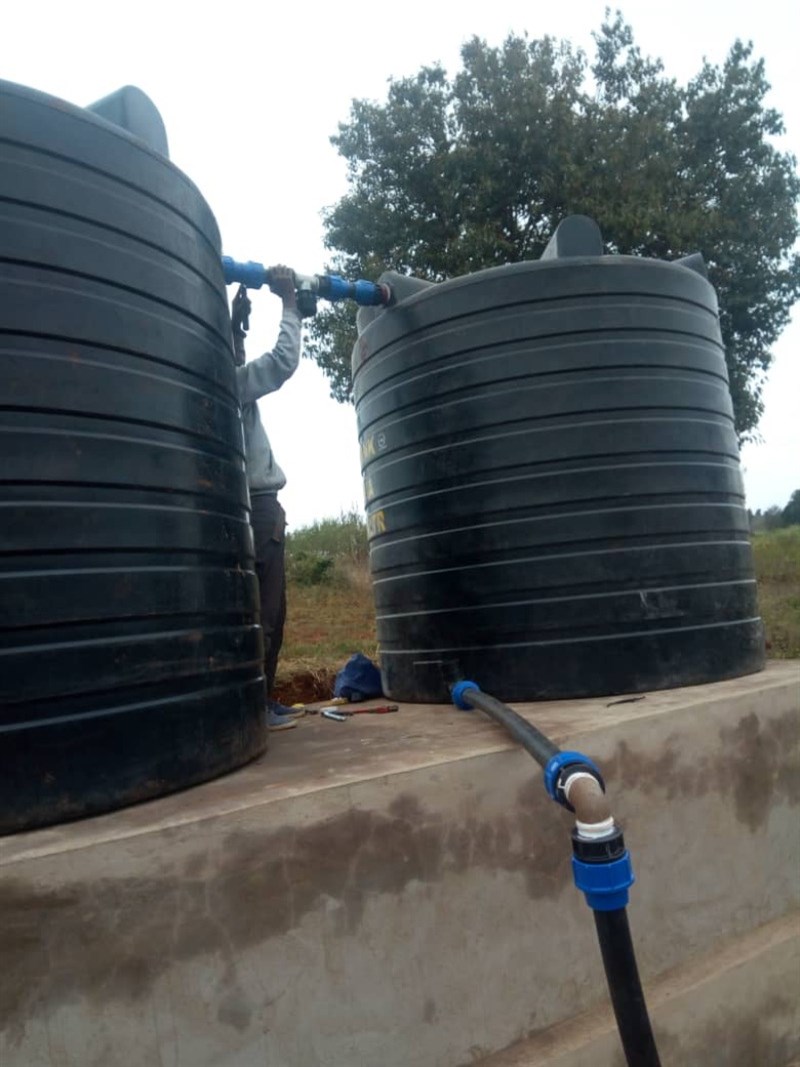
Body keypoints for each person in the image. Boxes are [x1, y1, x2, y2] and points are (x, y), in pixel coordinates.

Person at [231, 266, 304, 731]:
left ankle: (247, 703)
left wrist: (235, 328)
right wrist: (291, 304)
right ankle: (256, 708)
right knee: (268, 612)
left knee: (250, 608)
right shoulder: (231, 384)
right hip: (258, 509)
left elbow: (230, 358)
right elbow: (282, 362)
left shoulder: (210, 382)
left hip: (240, 507)